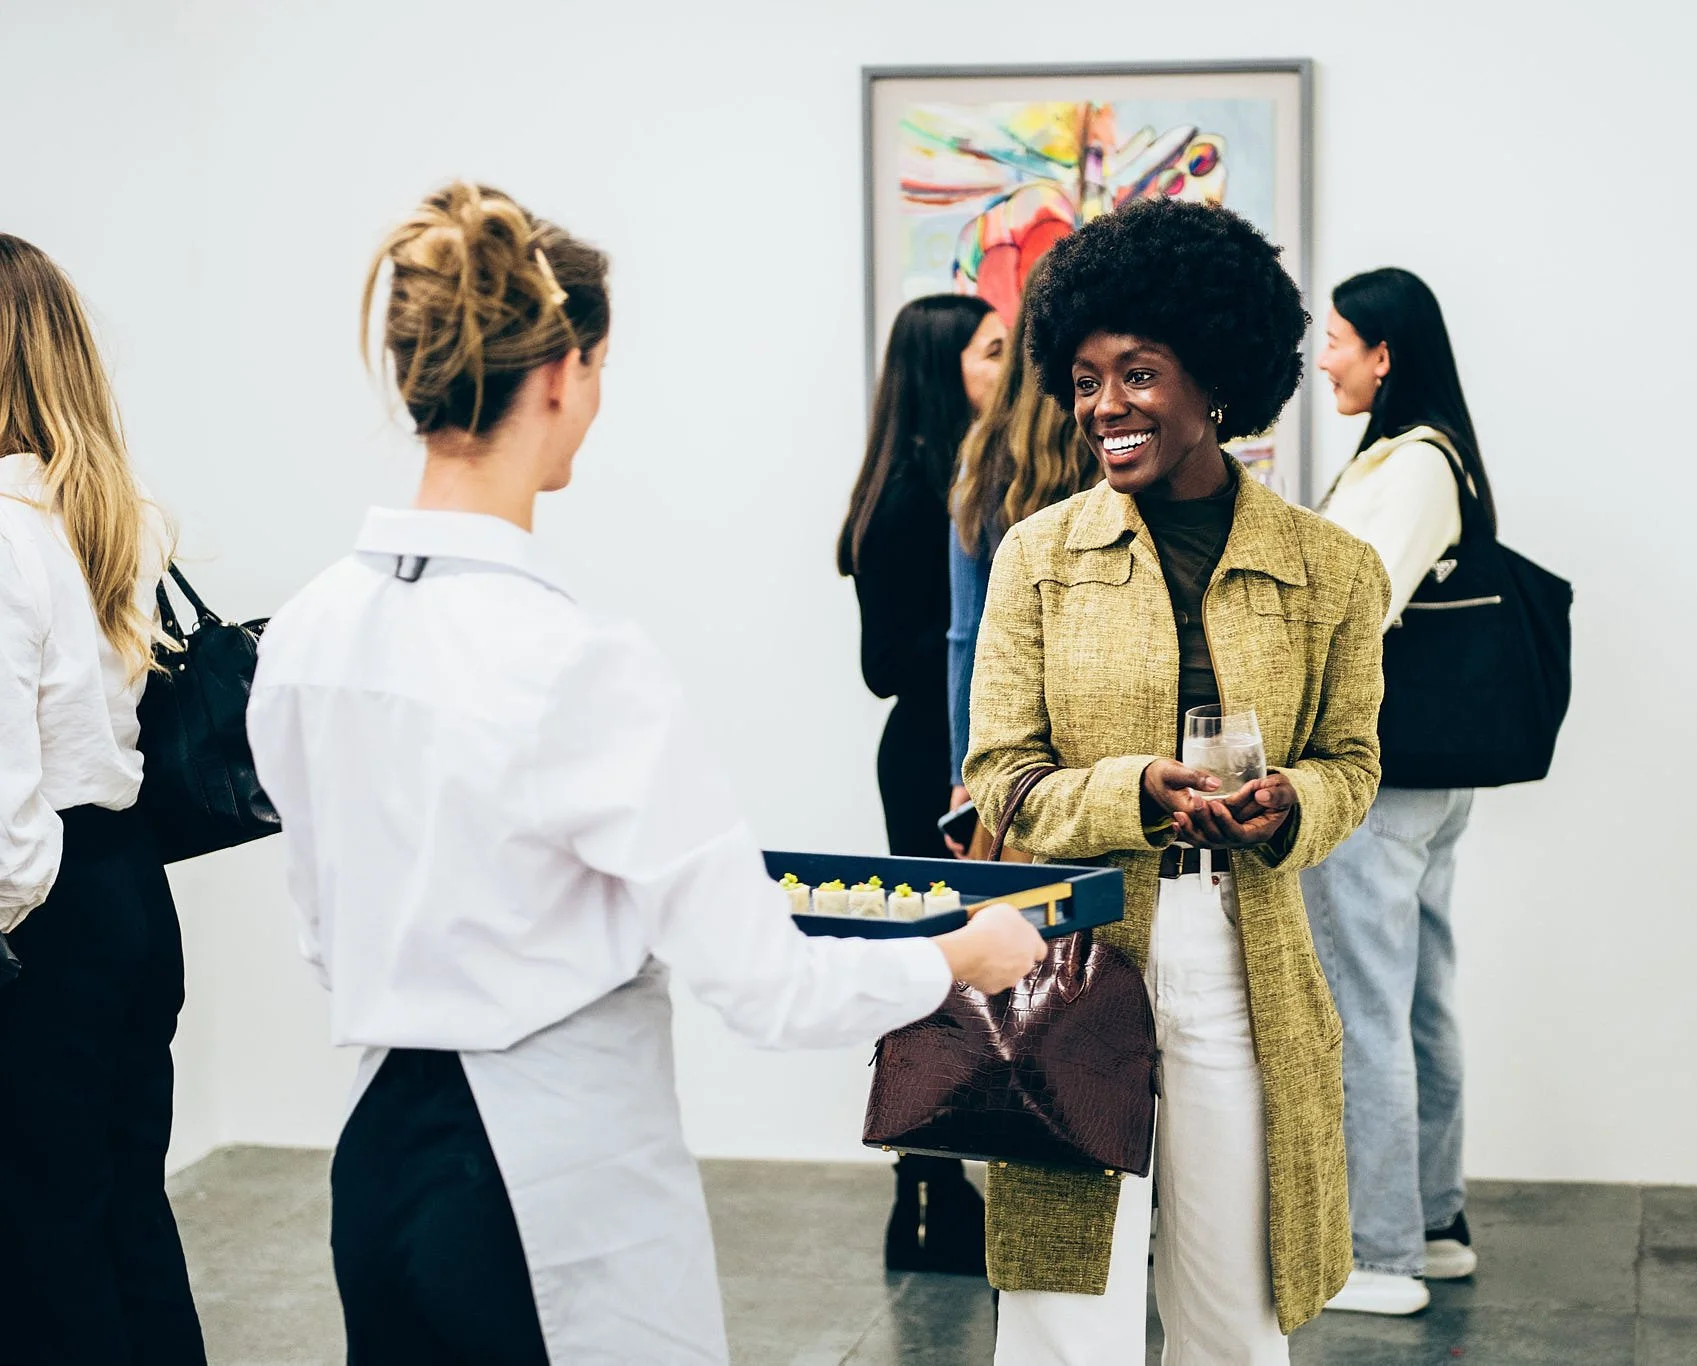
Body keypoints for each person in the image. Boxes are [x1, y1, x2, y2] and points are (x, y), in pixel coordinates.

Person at [245, 182, 1046, 1364]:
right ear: (564, 372)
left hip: (377, 1166)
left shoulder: (306, 634)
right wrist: (958, 957)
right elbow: (766, 986)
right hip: (545, 1177)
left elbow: (327, 931)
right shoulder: (574, 659)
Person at [965, 196, 1390, 1363]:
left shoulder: (1332, 570)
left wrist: (1294, 800)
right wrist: (1131, 795)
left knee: (1232, 1298)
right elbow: (996, 781)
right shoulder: (1038, 558)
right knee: (1062, 1303)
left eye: (1138, 374)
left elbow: (1352, 763)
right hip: (1072, 950)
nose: (1105, 406)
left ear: (1214, 380)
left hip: (1242, 951)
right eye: (1086, 377)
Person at [0, 235, 202, 1364]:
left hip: (47, 918)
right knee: (126, 1209)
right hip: (128, 894)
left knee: (41, 1245)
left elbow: (3, 825)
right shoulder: (106, 517)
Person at [1304, 267, 1498, 1316]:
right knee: (1415, 995)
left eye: (1335, 337)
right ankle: (1429, 1219)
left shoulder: (1415, 465)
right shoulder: (1411, 455)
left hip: (1381, 776)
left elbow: (1352, 607)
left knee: (1363, 1003)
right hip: (1424, 774)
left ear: (1385, 353)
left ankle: (1380, 1253)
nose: (1323, 355)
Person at [837, 292, 1007, 1275]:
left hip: (951, 753)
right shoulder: (914, 492)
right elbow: (882, 662)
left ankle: (933, 1194)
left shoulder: (962, 480)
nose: (1009, 370)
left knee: (952, 971)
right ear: (945, 368)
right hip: (931, 763)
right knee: (934, 975)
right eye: (992, 353)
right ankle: (928, 1198)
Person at [942, 291, 1097, 857]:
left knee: (1026, 936)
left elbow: (969, 633)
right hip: (1102, 751)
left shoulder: (982, 454)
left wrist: (964, 769)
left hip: (1019, 761)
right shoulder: (1111, 447)